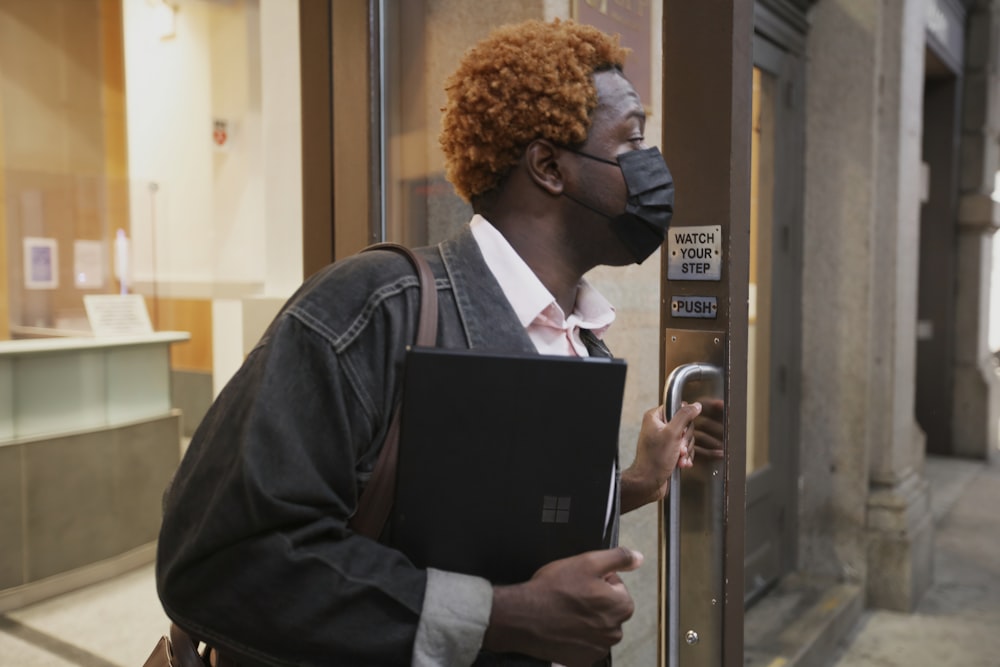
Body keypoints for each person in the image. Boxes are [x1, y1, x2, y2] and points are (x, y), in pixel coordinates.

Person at [156, 18, 703, 667]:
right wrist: (504, 616)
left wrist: (638, 480)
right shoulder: (373, 306)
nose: (651, 168)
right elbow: (220, 558)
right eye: (632, 140)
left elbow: (513, 529)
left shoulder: (582, 342)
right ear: (550, 167)